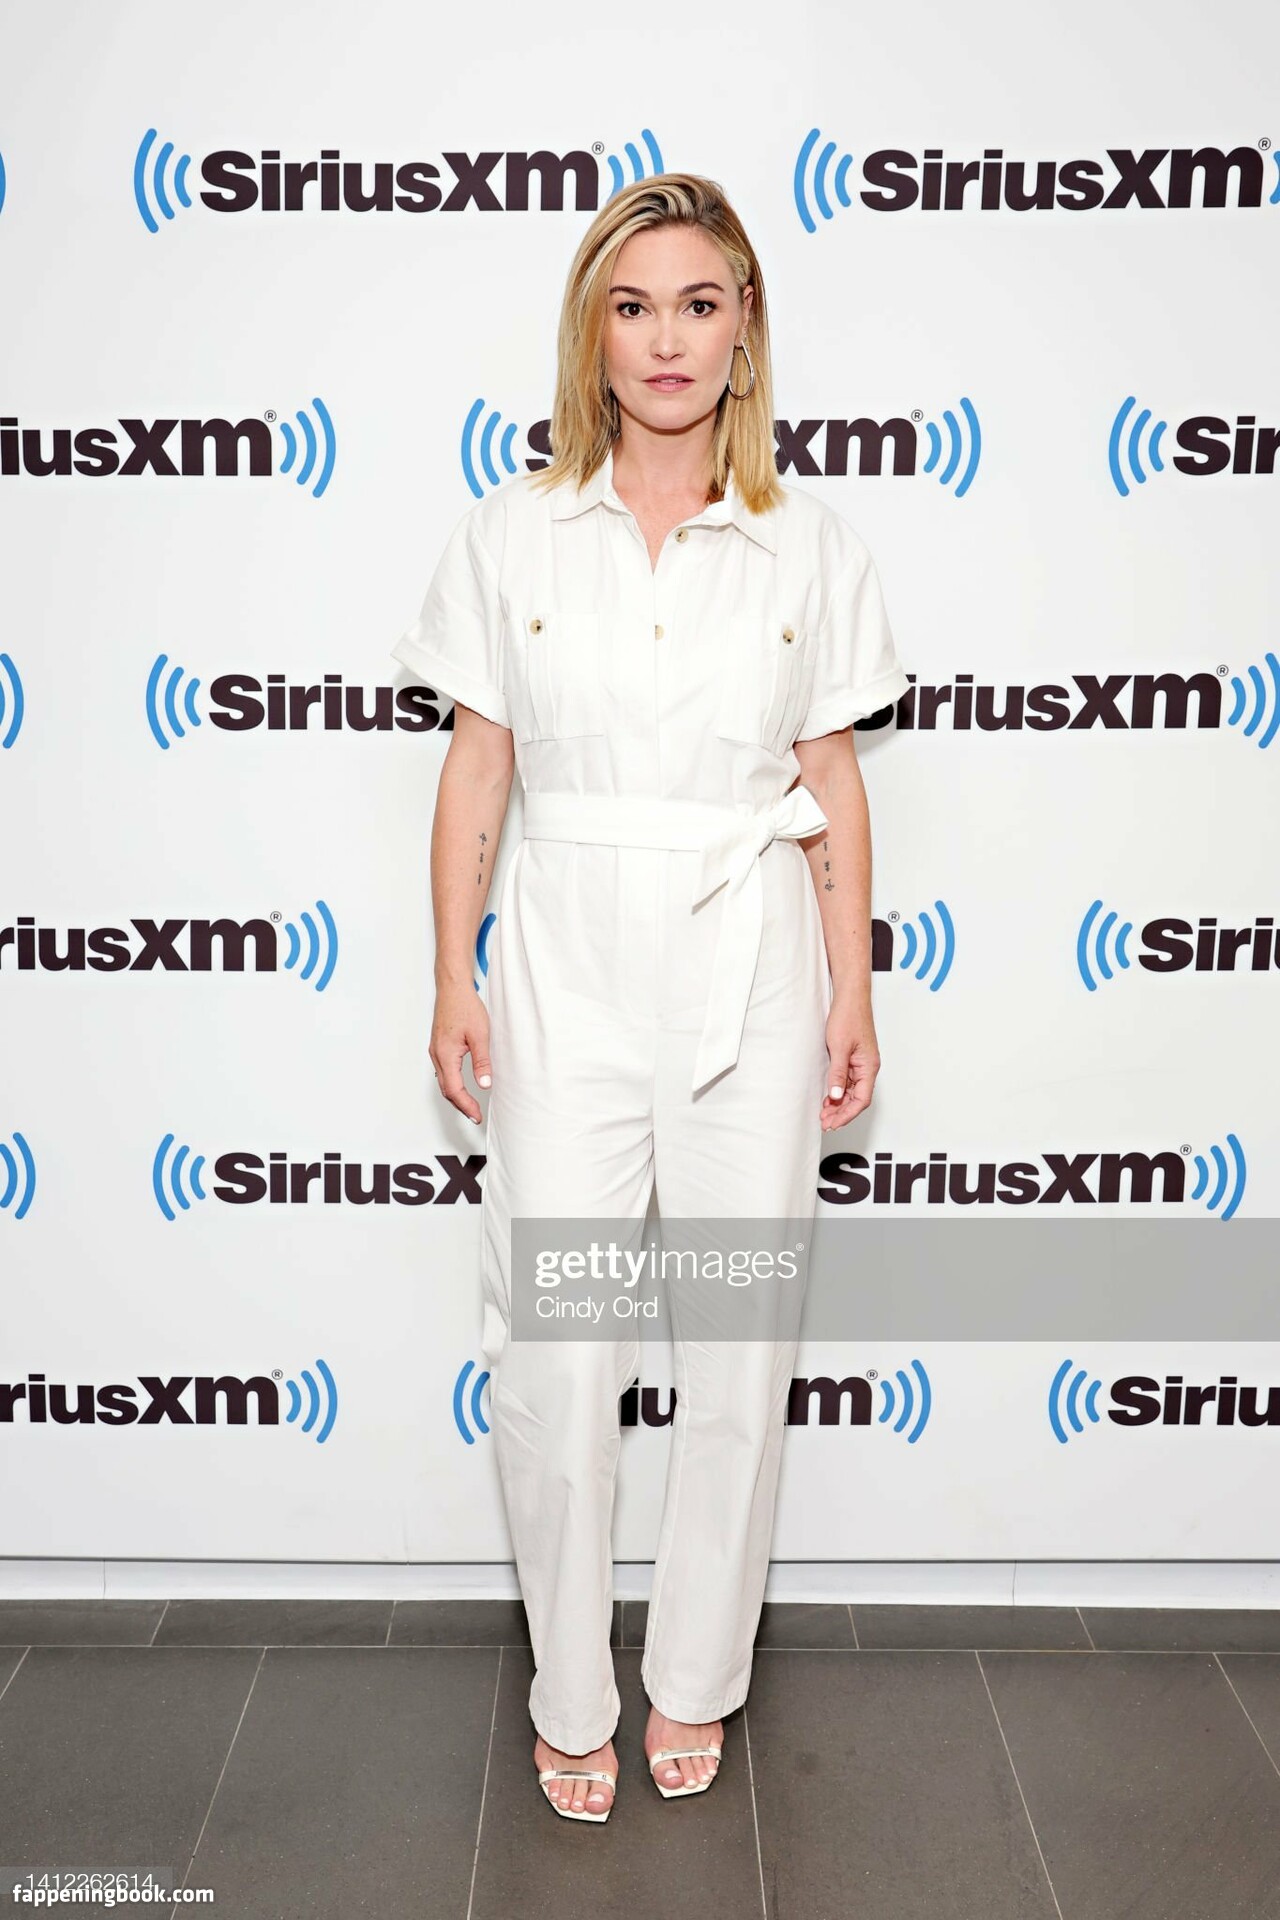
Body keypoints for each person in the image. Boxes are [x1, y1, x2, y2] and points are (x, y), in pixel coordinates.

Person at [391, 172, 911, 1823]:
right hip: (563, 974)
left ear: (745, 329)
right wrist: (453, 972)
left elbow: (832, 779)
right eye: (633, 307)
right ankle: (568, 1688)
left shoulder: (810, 542)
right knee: (558, 1354)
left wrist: (851, 992)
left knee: (739, 1351)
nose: (667, 339)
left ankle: (694, 1677)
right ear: (593, 336)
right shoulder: (511, 532)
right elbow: (480, 769)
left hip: (753, 973)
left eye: (699, 304)